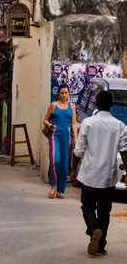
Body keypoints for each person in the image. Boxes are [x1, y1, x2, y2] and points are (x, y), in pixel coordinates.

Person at [71, 91, 127, 256]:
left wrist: (74, 169)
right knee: (104, 211)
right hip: (108, 177)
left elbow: (78, 151)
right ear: (112, 105)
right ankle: (100, 246)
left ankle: (94, 229)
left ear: (96, 104)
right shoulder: (120, 126)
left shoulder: (88, 123)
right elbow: (125, 151)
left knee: (87, 206)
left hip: (89, 175)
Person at [43, 83, 77, 198]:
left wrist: (76, 138)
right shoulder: (53, 105)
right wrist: (49, 125)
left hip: (66, 135)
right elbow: (45, 120)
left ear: (68, 94)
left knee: (64, 162)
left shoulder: (71, 106)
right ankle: (53, 185)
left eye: (66, 93)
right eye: (62, 93)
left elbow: (73, 123)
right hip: (54, 134)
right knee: (54, 159)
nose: (63, 95)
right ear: (58, 94)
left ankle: (60, 190)